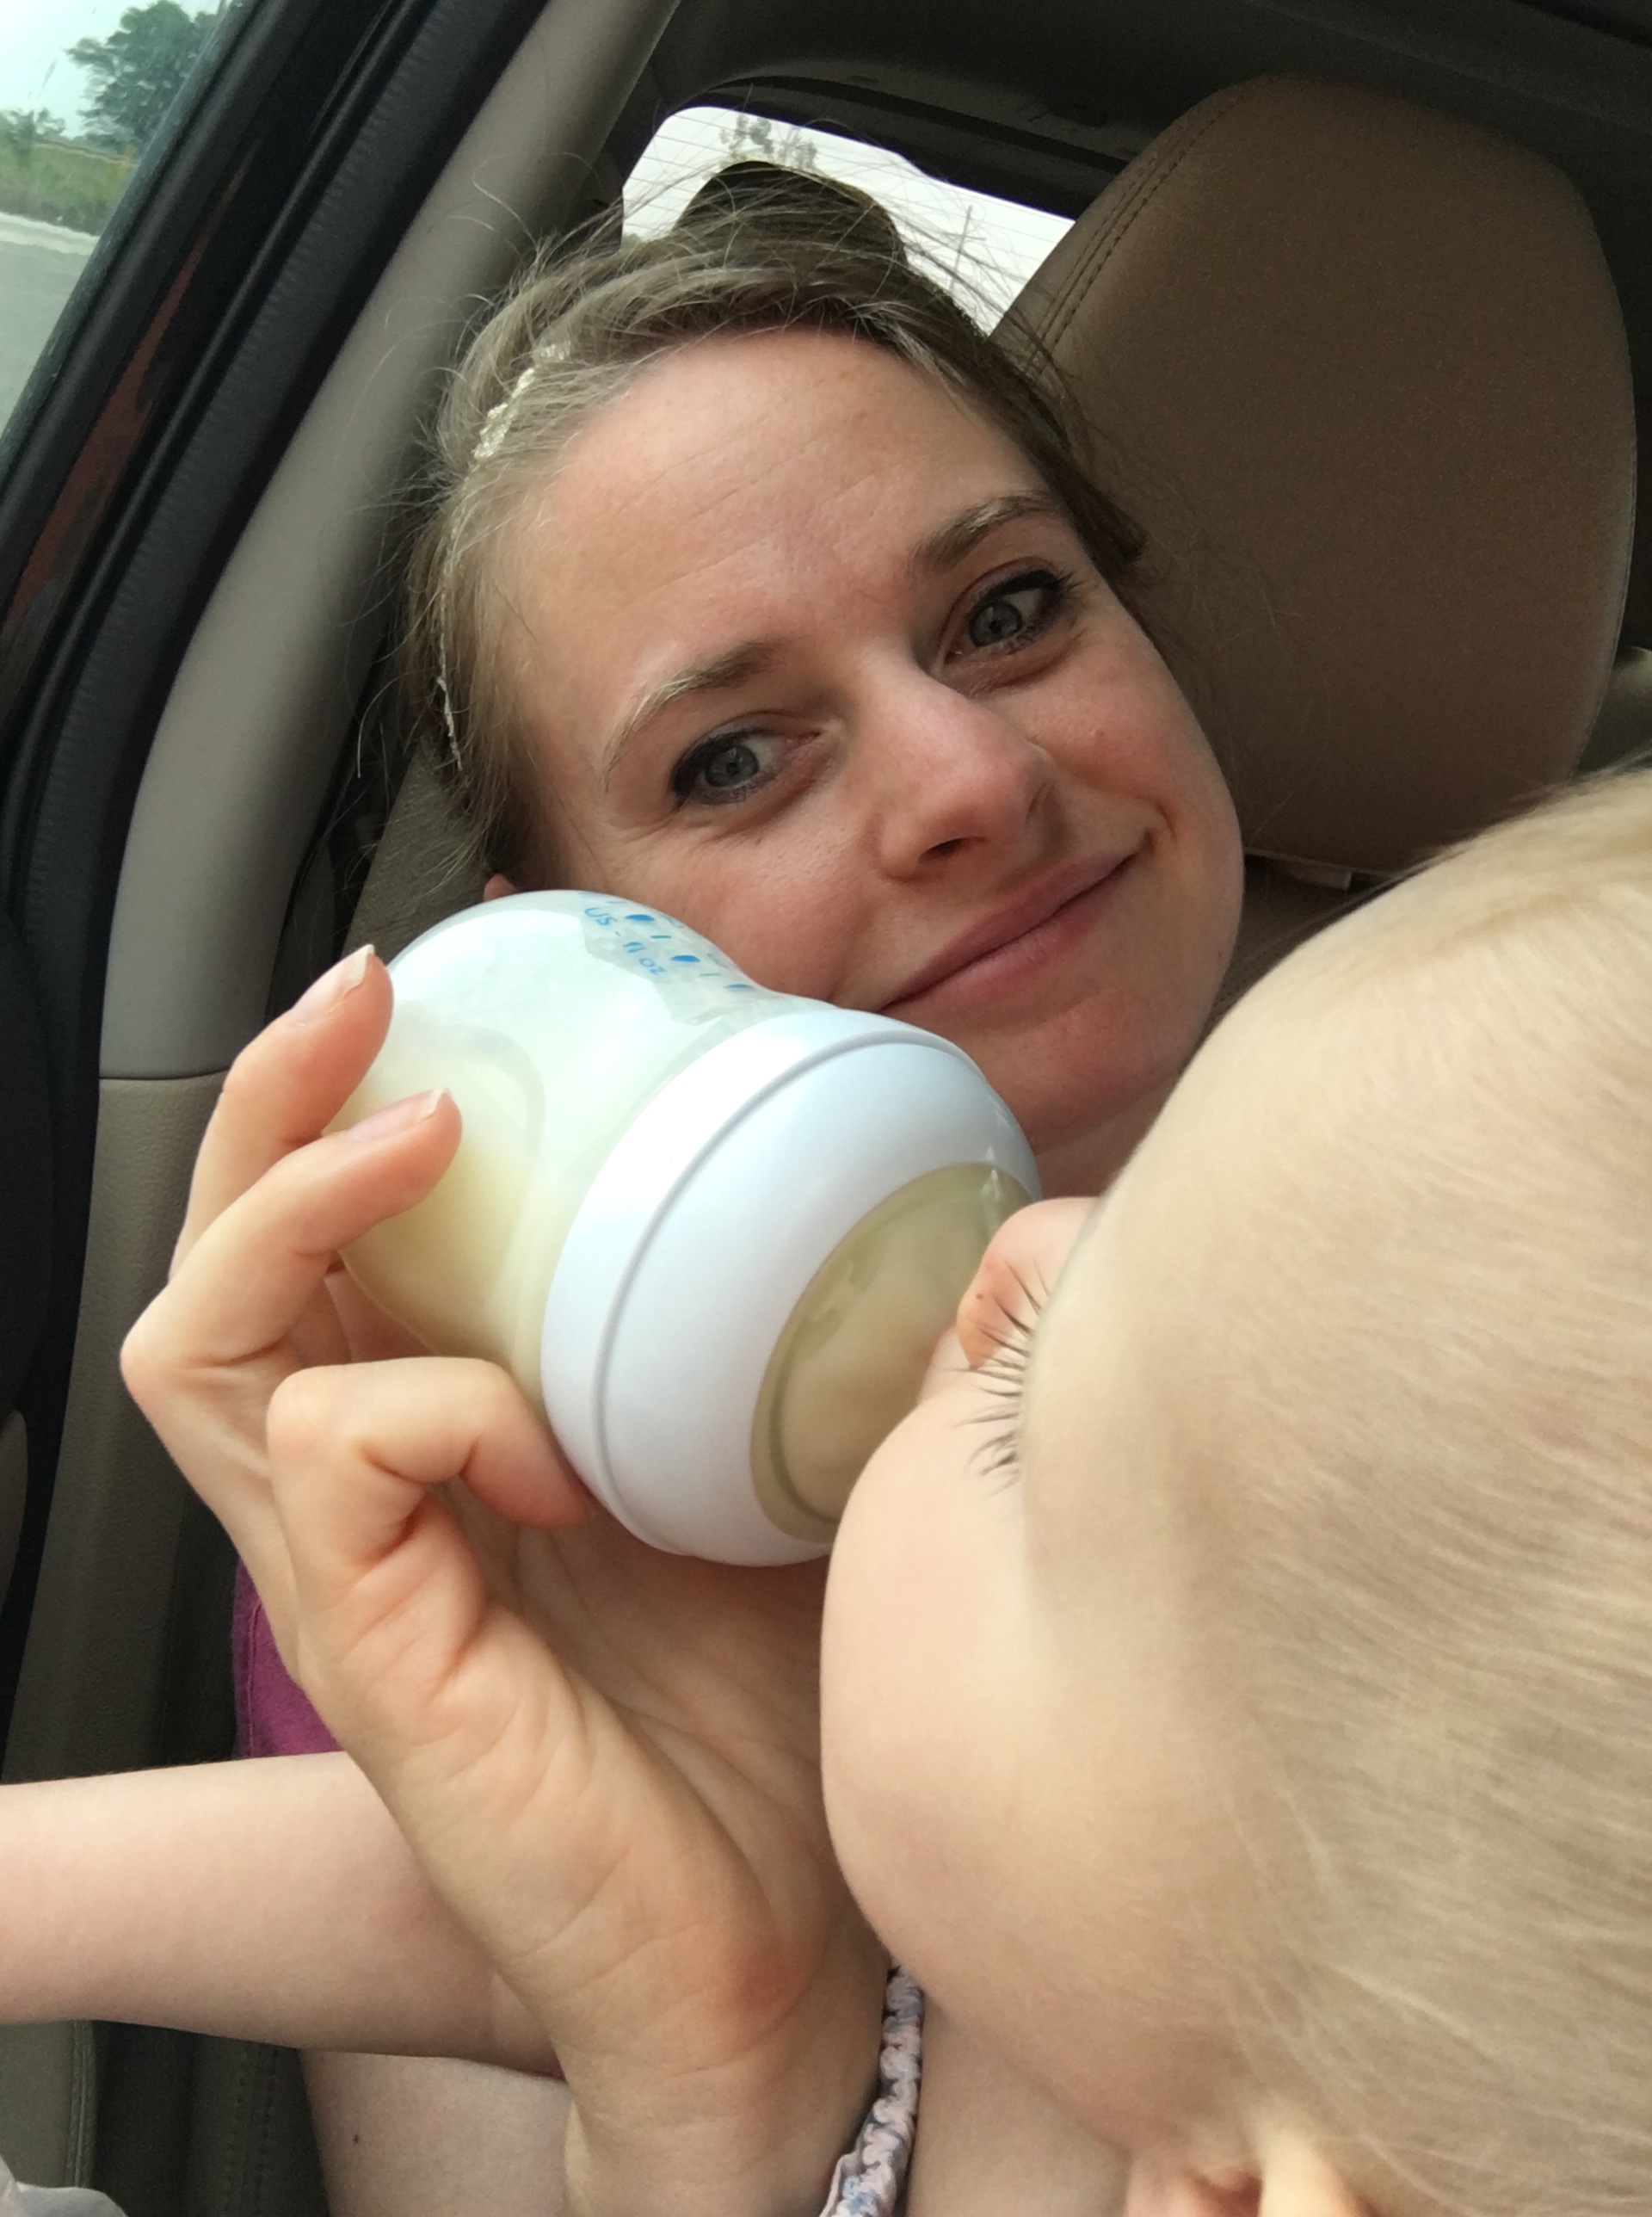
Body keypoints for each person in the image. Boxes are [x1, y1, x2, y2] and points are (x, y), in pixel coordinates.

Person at [0, 182, 1244, 2215]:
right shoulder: (488, 1538)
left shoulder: (1555, 1163)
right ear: (569, 960)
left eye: (1009, 611)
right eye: (735, 757)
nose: (971, 780)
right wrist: (711, 2085)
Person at [205, 763, 1652, 2217]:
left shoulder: (1060, 1929)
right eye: (733, 765)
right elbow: (481, 1918)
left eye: (1030, 1431)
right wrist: (708, 2083)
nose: (1024, 1249)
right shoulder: (1126, 1938)